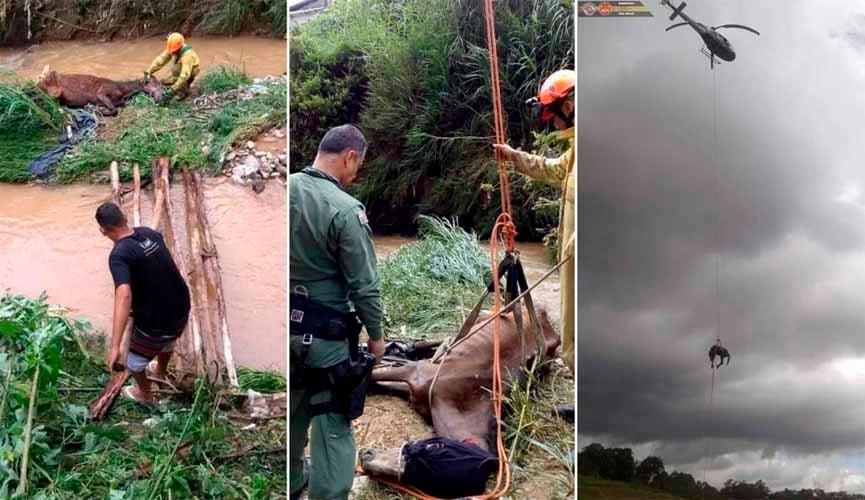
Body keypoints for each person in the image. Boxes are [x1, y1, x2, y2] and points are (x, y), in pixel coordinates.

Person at [289, 124, 386, 500]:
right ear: (349, 157)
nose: (355, 175)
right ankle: (327, 493)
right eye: (357, 166)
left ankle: (294, 481)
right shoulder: (345, 210)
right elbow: (365, 285)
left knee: (295, 407)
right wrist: (376, 336)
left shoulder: (289, 188)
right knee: (332, 417)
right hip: (326, 335)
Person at [493, 69, 575, 382]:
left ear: (568, 106)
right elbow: (550, 169)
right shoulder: (577, 150)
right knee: (572, 315)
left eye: (552, 116)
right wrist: (513, 157)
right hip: (572, 254)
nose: (552, 124)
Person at [96, 202, 190, 404]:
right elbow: (153, 269)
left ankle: (145, 395)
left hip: (158, 321)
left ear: (103, 231)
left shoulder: (119, 255)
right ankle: (161, 372)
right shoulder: (150, 233)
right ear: (125, 218)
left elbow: (124, 295)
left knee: (134, 363)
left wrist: (115, 346)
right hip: (181, 308)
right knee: (167, 342)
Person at [144, 32, 201, 101]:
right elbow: (160, 60)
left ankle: (182, 93)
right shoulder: (173, 48)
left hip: (190, 72)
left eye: (174, 51)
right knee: (163, 82)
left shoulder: (187, 56)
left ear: (179, 47)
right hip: (178, 71)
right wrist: (149, 71)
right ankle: (177, 84)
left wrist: (173, 89)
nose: (172, 53)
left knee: (177, 89)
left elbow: (184, 75)